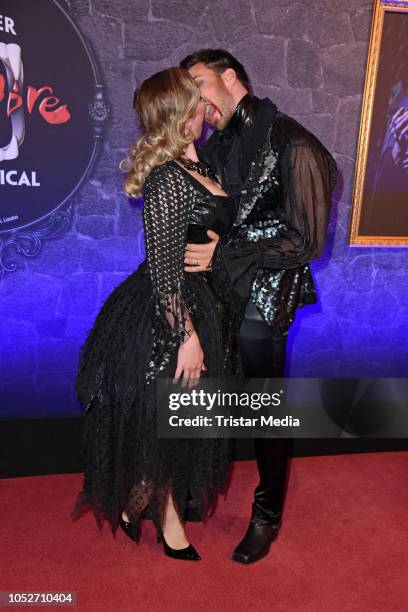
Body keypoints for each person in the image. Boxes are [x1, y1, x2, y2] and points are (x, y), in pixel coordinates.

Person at [70, 67, 242, 561]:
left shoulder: (203, 165)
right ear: (181, 113)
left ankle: (134, 503)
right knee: (168, 419)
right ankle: (168, 524)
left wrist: (220, 253)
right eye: (196, 100)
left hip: (207, 304)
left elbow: (216, 230)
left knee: (177, 420)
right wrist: (186, 335)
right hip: (170, 315)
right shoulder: (167, 177)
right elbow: (165, 271)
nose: (204, 108)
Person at [180, 49, 337, 564]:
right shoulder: (215, 143)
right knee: (206, 392)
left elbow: (308, 241)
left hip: (266, 299)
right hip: (219, 293)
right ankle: (196, 488)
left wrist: (224, 252)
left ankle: (267, 516)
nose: (196, 99)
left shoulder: (295, 143)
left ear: (230, 78)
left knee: (265, 412)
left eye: (199, 83)